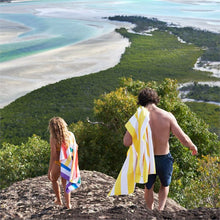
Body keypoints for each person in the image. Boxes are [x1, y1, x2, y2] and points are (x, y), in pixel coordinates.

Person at [123, 88, 198, 211]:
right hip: (164, 158)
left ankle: (149, 210)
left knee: (149, 187)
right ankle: (161, 210)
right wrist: (192, 146)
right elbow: (183, 138)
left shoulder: (137, 118)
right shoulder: (167, 116)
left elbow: (126, 142)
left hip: (147, 159)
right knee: (164, 185)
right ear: (155, 99)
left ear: (141, 101)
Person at [48, 117, 80, 209]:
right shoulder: (70, 135)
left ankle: (58, 200)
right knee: (65, 183)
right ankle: (68, 204)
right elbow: (75, 147)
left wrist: (49, 169)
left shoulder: (54, 138)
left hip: (58, 163)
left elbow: (53, 155)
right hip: (68, 163)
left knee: (53, 179)